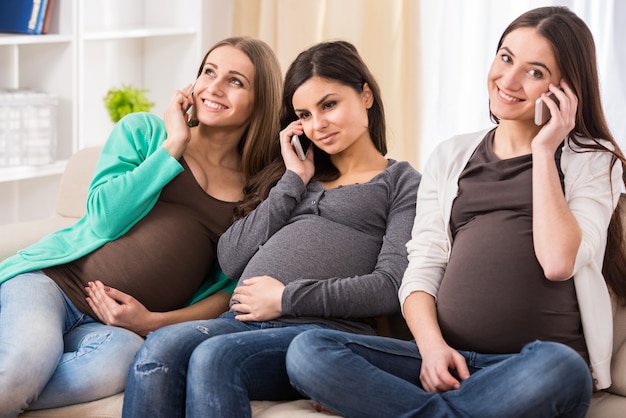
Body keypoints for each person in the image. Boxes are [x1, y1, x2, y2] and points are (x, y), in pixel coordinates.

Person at [286, 6, 626, 418]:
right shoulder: (452, 155)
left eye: (535, 72)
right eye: (505, 57)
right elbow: (423, 266)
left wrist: (543, 150)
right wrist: (431, 350)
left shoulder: (594, 161)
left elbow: (558, 262)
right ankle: (450, 409)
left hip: (529, 369)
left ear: (566, 88)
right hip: (445, 360)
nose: (509, 80)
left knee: (562, 369)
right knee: (309, 350)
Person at [120, 40, 421, 418]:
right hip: (241, 323)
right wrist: (292, 180)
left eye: (329, 105)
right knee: (161, 348)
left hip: (319, 333)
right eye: (304, 114)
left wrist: (286, 298)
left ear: (365, 96)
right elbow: (230, 260)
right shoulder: (294, 172)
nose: (318, 125)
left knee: (214, 357)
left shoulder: (402, 182)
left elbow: (390, 287)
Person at [0, 36, 282, 417]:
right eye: (208, 72)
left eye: (235, 81)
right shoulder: (145, 133)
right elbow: (103, 216)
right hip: (52, 285)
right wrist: (173, 145)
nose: (213, 87)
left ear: (260, 102)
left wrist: (152, 323)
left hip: (116, 331)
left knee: (118, 366)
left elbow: (230, 292)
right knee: (21, 370)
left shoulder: (257, 192)